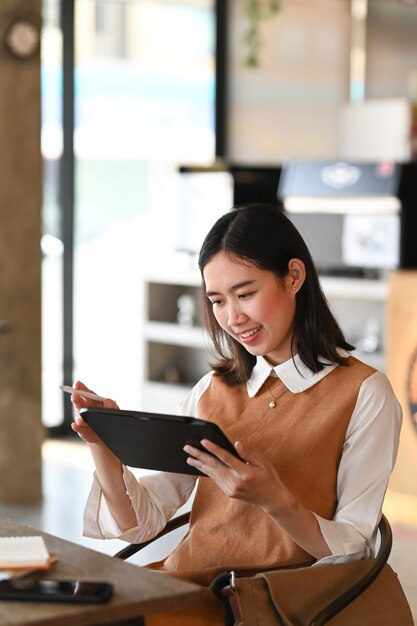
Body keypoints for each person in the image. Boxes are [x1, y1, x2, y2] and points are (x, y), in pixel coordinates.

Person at [71, 202, 402, 625]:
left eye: (245, 294)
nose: (232, 318)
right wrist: (105, 445)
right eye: (217, 301)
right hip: (188, 586)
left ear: (294, 277)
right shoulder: (213, 390)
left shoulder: (364, 393)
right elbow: (142, 525)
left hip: (269, 602)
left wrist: (275, 500)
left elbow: (353, 549)